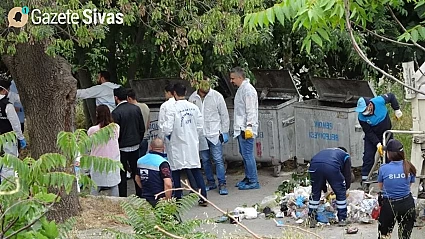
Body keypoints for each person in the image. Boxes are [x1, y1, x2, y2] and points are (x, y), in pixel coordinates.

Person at [163, 83, 208, 206]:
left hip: (177, 144)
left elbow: (167, 129)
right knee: (195, 169)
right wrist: (192, 134)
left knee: (176, 171)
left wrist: (168, 136)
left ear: (174, 94)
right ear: (186, 92)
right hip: (191, 143)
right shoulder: (193, 107)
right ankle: (203, 196)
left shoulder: (172, 109)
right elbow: (200, 126)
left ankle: (178, 198)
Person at [189, 77, 230, 195]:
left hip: (215, 133)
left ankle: (222, 183)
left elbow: (224, 115)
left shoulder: (217, 96)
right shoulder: (192, 98)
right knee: (205, 160)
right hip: (201, 135)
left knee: (218, 160)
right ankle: (210, 182)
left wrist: (224, 131)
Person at [355, 93, 402, 188]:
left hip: (386, 133)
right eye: (361, 111)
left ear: (370, 105)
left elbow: (392, 96)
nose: (363, 112)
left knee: (389, 155)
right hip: (372, 136)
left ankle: (390, 177)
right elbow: (368, 132)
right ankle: (365, 180)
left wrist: (396, 109)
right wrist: (377, 144)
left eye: (364, 110)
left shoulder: (379, 101)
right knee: (368, 156)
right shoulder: (361, 117)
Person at [377, 139, 416, 239]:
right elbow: (410, 184)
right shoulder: (409, 166)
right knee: (405, 235)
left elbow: (381, 187)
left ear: (389, 154)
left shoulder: (383, 168)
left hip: (389, 205)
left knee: (384, 235)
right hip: (407, 203)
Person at [229, 67, 260, 190]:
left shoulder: (248, 90)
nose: (231, 81)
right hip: (241, 127)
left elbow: (250, 110)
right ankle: (248, 177)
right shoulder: (242, 89)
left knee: (247, 154)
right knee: (244, 154)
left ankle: (253, 180)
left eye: (233, 78)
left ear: (240, 77)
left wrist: (249, 127)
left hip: (246, 128)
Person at [111, 87, 145, 197]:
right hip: (135, 145)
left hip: (121, 147)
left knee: (122, 173)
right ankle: (140, 194)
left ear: (116, 98)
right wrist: (138, 140)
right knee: (136, 171)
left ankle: (123, 196)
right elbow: (141, 127)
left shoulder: (115, 112)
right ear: (126, 97)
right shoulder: (135, 108)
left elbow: (114, 133)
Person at [307, 147, 352, 228]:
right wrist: (346, 188)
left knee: (315, 191)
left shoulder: (326, 151)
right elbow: (347, 174)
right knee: (340, 192)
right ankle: (342, 219)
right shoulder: (345, 155)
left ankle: (311, 218)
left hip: (314, 165)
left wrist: (325, 191)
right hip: (331, 166)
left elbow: (321, 178)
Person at [87, 105, 121, 197]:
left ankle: (92, 204)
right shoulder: (115, 127)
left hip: (97, 161)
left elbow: (89, 144)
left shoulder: (93, 130)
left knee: (95, 185)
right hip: (113, 160)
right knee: (114, 184)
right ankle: (116, 204)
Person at [0, 79, 27, 182]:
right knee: (10, 163)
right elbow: (15, 124)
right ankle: (8, 187)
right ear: (4, 90)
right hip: (8, 139)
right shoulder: (8, 105)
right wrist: (21, 138)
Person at [135, 138, 172, 207]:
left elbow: (137, 179)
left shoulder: (140, 161)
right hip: (160, 199)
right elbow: (168, 184)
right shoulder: (163, 163)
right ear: (163, 148)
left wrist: (145, 189)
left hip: (146, 197)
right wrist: (168, 199)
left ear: (150, 147)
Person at [127, 89, 150, 157]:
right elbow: (148, 123)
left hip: (135, 140)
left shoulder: (131, 109)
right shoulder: (145, 106)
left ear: (129, 98)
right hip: (145, 137)